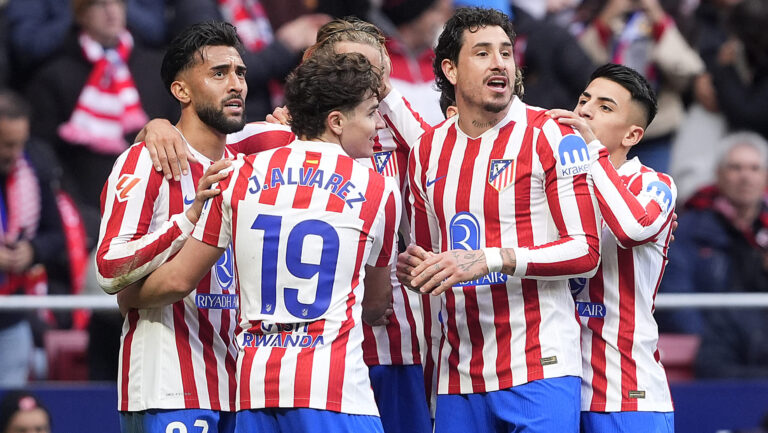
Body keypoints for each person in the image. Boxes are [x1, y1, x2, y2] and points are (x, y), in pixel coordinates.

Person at [137, 17, 435, 432]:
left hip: (366, 354)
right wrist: (158, 128)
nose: (363, 85)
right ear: (316, 66)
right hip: (334, 372)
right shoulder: (282, 144)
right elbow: (194, 140)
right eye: (348, 69)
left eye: (375, 79)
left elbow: (439, 152)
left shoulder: (405, 145)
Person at [396, 7, 602, 432]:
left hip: (539, 364)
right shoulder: (426, 152)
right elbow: (428, 266)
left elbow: (586, 249)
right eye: (483, 53)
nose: (499, 64)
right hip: (459, 373)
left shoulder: (551, 133)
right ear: (450, 69)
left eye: (506, 53)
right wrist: (415, 269)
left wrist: (492, 258)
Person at [95, 21, 294, 433]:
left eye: (239, 72)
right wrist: (188, 219)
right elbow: (108, 266)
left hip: (241, 387)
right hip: (168, 387)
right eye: (218, 73)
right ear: (181, 91)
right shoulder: (146, 160)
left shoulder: (249, 158)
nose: (236, 83)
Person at [548, 64, 677, 432]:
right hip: (557, 392)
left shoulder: (655, 185)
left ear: (633, 135)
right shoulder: (554, 186)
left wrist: (591, 151)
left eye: (605, 107)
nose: (584, 110)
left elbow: (632, 228)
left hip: (628, 395)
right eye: (583, 99)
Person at [25, 0, 179, 247]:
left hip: (155, 208)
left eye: (117, 2)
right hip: (86, 213)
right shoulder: (54, 76)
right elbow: (44, 152)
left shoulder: (156, 68)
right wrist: (78, 212)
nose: (111, 11)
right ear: (80, 16)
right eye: (99, 4)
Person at [658, 132, 768, 377]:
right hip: (714, 349)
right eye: (735, 168)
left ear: (765, 176)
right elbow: (676, 294)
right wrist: (708, 340)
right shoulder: (687, 228)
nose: (745, 177)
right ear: (718, 174)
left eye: (754, 168)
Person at [0, 89, 69, 387]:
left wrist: (31, 250)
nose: (14, 153)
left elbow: (58, 236)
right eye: (5, 144)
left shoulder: (33, 168)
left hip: (12, 318)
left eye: (19, 143)